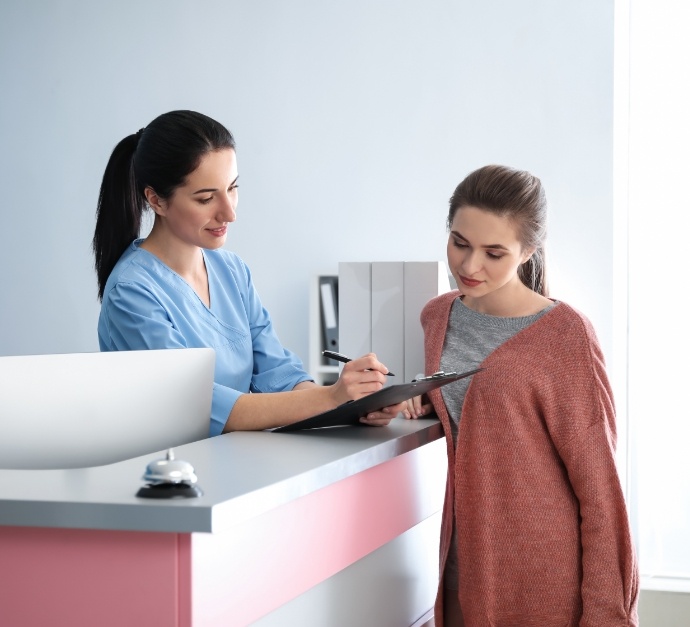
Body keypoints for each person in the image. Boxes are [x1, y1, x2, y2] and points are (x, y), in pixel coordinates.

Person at [404, 165, 639, 626]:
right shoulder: (436, 316)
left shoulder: (566, 336)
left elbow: (600, 491)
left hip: (540, 581)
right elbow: (484, 414)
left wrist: (607, 615)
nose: (470, 267)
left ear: (528, 250)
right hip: (457, 570)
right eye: (460, 243)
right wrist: (417, 397)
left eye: (494, 252)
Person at [93, 110, 402, 435]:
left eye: (232, 188)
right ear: (156, 200)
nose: (229, 212)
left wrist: (353, 405)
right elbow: (200, 407)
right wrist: (332, 397)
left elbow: (278, 374)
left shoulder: (232, 271)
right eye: (206, 198)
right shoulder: (131, 292)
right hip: (170, 476)